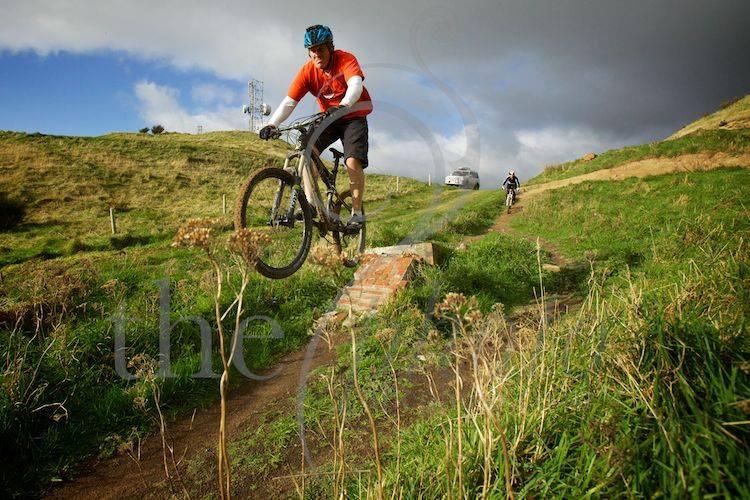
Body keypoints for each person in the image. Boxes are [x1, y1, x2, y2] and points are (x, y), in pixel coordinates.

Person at [258, 24, 372, 228]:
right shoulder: (307, 71)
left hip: (353, 114)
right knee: (306, 151)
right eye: (312, 50)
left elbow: (355, 84)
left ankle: (356, 213)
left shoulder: (345, 59)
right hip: (328, 118)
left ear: (330, 47)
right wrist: (272, 124)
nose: (316, 54)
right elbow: (289, 102)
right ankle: (311, 205)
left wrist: (344, 105)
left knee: (352, 162)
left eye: (320, 48)